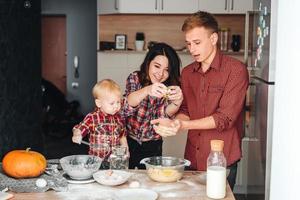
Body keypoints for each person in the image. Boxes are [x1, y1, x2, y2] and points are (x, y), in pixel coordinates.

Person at [151, 11, 249, 190]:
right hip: (192, 158)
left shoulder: (236, 70)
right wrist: (175, 123)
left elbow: (224, 118)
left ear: (213, 39)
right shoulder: (188, 73)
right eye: (188, 43)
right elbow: (186, 110)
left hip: (221, 160)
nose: (192, 49)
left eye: (197, 43)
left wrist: (183, 126)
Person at [124, 42, 183, 169]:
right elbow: (128, 105)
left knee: (151, 182)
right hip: (128, 141)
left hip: (153, 145)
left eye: (166, 70)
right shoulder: (135, 78)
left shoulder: (169, 87)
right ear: (148, 63)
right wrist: (147, 90)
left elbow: (164, 115)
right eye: (157, 66)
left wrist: (177, 102)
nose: (160, 74)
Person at [72, 79, 129, 165]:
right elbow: (79, 128)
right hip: (96, 161)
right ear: (99, 103)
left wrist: (126, 150)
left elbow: (122, 136)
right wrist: (77, 135)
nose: (116, 106)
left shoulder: (119, 119)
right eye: (112, 103)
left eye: (118, 102)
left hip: (114, 160)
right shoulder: (92, 118)